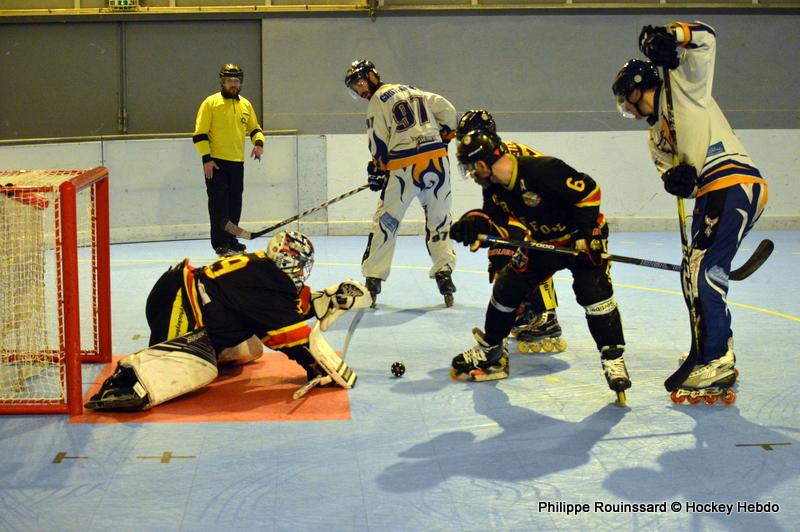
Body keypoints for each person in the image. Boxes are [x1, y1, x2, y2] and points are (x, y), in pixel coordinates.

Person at [612, 21, 768, 396]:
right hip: (711, 192)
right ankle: (709, 344)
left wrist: (671, 36)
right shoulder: (655, 136)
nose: (626, 109)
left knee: (703, 271)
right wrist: (676, 182)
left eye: (624, 100)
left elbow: (707, 38)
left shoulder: (680, 85)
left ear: (635, 91)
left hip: (732, 181)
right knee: (691, 273)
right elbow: (672, 174)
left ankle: (717, 360)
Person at [85, 231, 372, 411]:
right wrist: (315, 367)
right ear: (289, 262)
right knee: (200, 368)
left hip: (179, 291)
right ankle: (131, 380)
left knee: (251, 349)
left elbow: (284, 309)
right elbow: (289, 336)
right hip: (178, 302)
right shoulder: (267, 282)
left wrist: (328, 298)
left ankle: (201, 350)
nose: (302, 272)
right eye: (300, 265)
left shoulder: (264, 271)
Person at [449, 130, 631, 404]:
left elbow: (589, 191)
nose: (471, 175)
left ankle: (613, 358)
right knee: (507, 287)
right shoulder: (495, 190)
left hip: (580, 240)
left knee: (593, 291)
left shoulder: (541, 170)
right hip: (544, 244)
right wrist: (473, 223)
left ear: (483, 165)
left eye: (470, 168)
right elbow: (496, 221)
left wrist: (585, 236)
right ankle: (491, 349)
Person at [344, 59, 458, 307]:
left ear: (373, 76)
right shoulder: (414, 90)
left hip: (405, 167)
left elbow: (377, 140)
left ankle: (373, 280)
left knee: (386, 222)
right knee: (440, 219)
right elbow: (447, 110)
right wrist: (445, 136)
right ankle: (444, 273)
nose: (360, 91)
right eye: (355, 88)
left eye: (361, 83)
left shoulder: (377, 100)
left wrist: (378, 167)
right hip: (437, 162)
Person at [455, 110, 566, 353]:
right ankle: (524, 307)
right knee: (501, 252)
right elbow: (494, 211)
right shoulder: (491, 156)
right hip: (530, 208)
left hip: (546, 209)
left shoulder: (502, 156)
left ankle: (546, 315)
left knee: (526, 250)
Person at [193, 63, 265, 257]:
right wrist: (206, 158)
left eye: (236, 81)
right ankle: (220, 243)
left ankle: (232, 240)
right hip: (215, 163)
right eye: (229, 81)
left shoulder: (245, 105)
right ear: (222, 82)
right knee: (219, 205)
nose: (233, 84)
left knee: (235, 204)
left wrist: (259, 144)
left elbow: (255, 128)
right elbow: (199, 134)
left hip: (236, 163)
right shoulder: (211, 103)